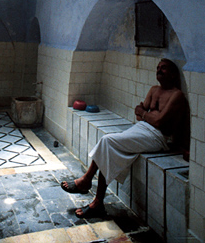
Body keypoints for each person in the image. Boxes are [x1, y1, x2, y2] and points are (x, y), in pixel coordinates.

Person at [60, 58, 189, 219]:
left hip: (158, 137)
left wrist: (144, 113)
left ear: (173, 74)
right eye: (158, 67)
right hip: (142, 129)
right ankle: (96, 201)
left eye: (164, 68)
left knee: (107, 141)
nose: (159, 70)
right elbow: (138, 114)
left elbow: (157, 121)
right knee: (109, 148)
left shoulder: (176, 95)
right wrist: (145, 115)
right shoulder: (154, 89)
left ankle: (88, 182)